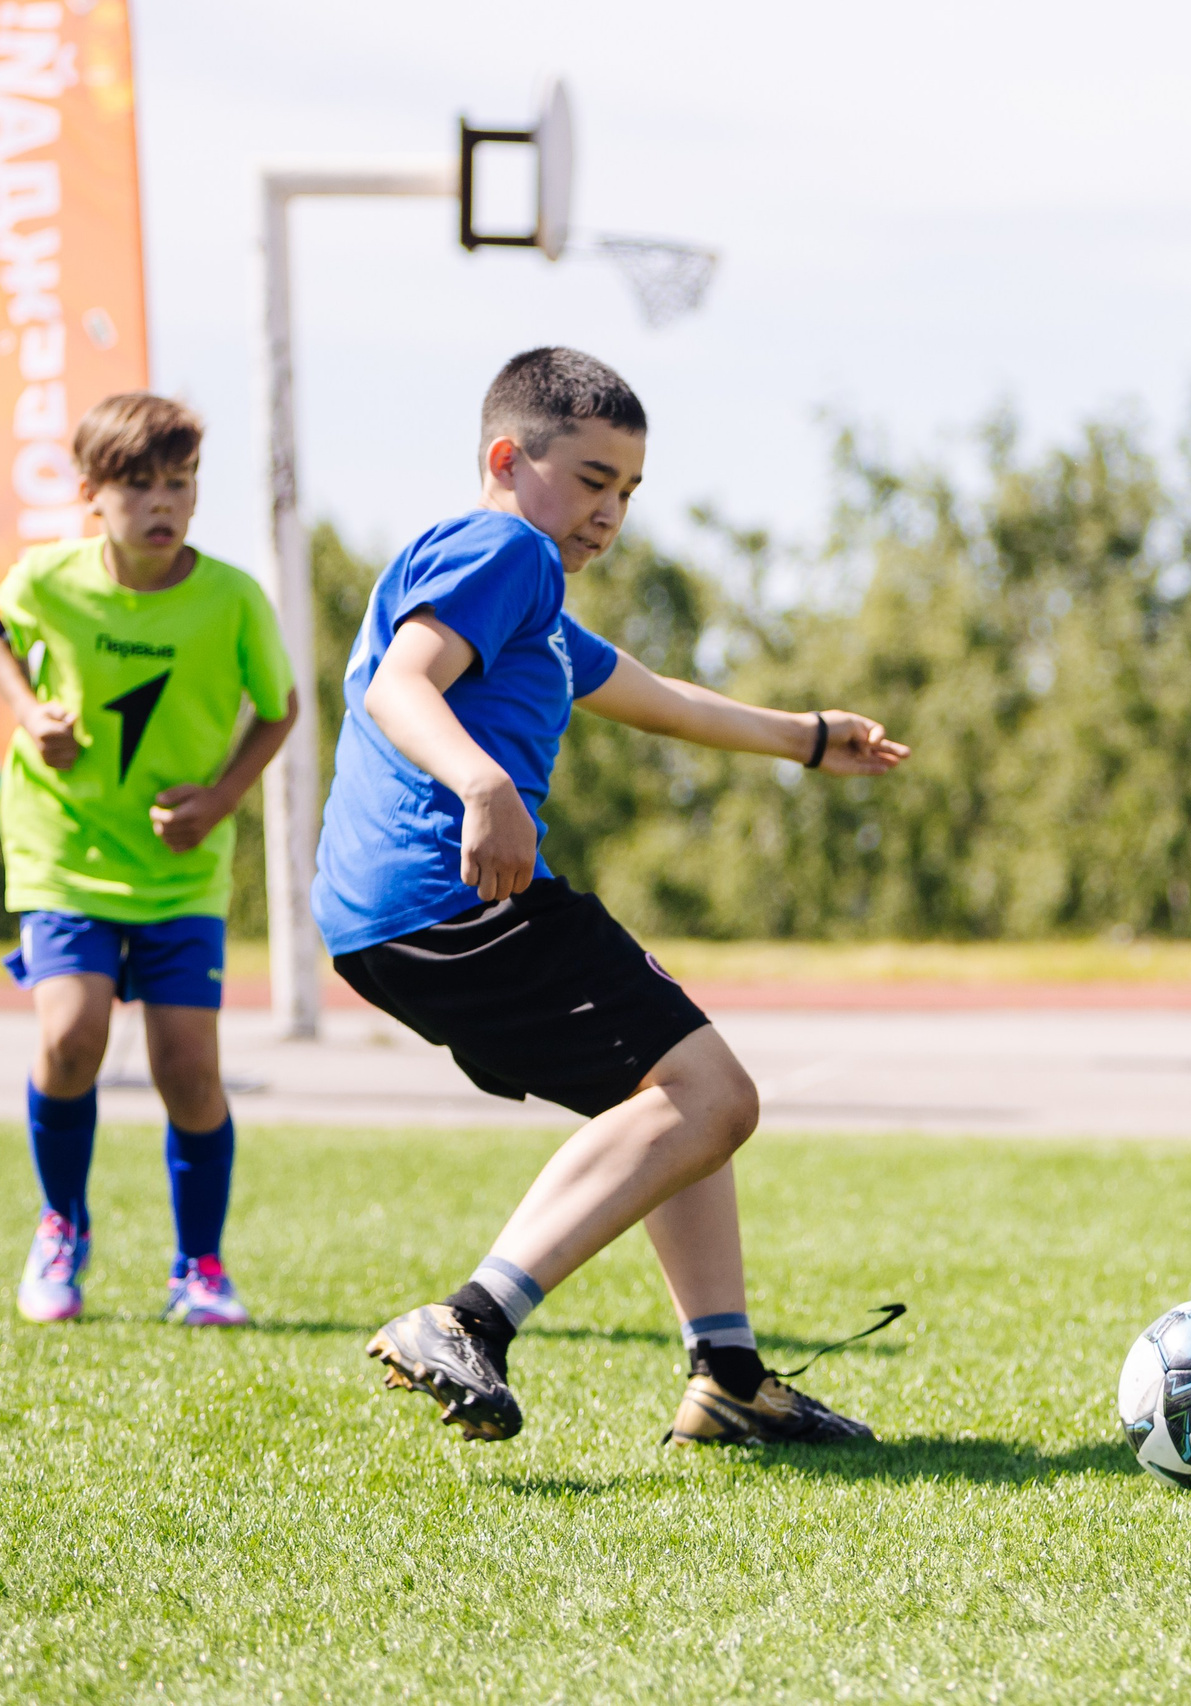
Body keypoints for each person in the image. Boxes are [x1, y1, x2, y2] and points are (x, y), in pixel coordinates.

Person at [317, 347, 909, 1447]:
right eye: (591, 479)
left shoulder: (525, 597)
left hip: (394, 917)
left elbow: (653, 696)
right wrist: (482, 782)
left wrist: (805, 738)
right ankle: (469, 1319)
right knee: (714, 1094)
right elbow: (404, 682)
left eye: (628, 491)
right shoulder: (503, 549)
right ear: (509, 457)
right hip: (451, 893)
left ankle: (729, 1378)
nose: (610, 513)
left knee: (671, 1088)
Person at [0, 393, 297, 1329]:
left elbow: (278, 710)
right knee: (71, 1038)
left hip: (178, 872)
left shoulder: (233, 597)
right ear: (91, 496)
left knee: (189, 1069)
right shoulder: (47, 580)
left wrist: (221, 799)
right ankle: (60, 1227)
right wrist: (32, 715)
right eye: (140, 485)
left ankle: (199, 1266)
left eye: (180, 484)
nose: (164, 503)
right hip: (63, 854)